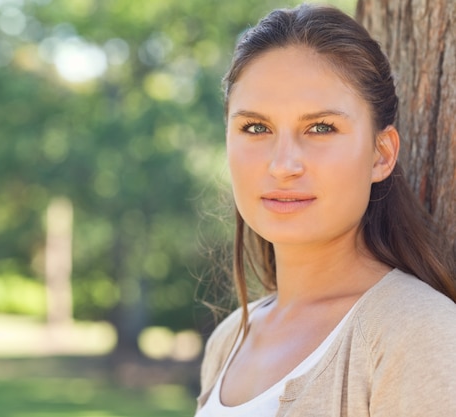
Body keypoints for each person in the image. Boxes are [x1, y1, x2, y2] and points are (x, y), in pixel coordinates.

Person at [195, 3, 456, 416]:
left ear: (381, 154)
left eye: (320, 128)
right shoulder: (230, 340)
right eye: (256, 128)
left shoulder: (419, 334)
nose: (283, 165)